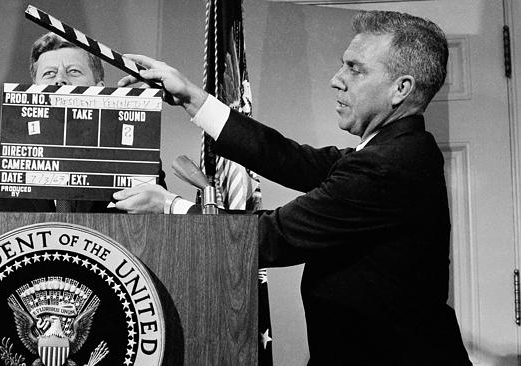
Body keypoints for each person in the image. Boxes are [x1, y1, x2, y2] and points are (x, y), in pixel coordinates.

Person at [113, 10, 472, 365]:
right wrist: (191, 96)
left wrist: (169, 206)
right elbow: (288, 158)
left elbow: (274, 237)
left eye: (355, 68)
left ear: (401, 89)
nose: (337, 79)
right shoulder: (392, 151)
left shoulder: (388, 165)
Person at [0, 32, 165, 212]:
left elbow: (163, 233)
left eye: (74, 72)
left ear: (99, 87)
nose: (60, 80)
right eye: (49, 73)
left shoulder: (137, 164)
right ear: (34, 88)